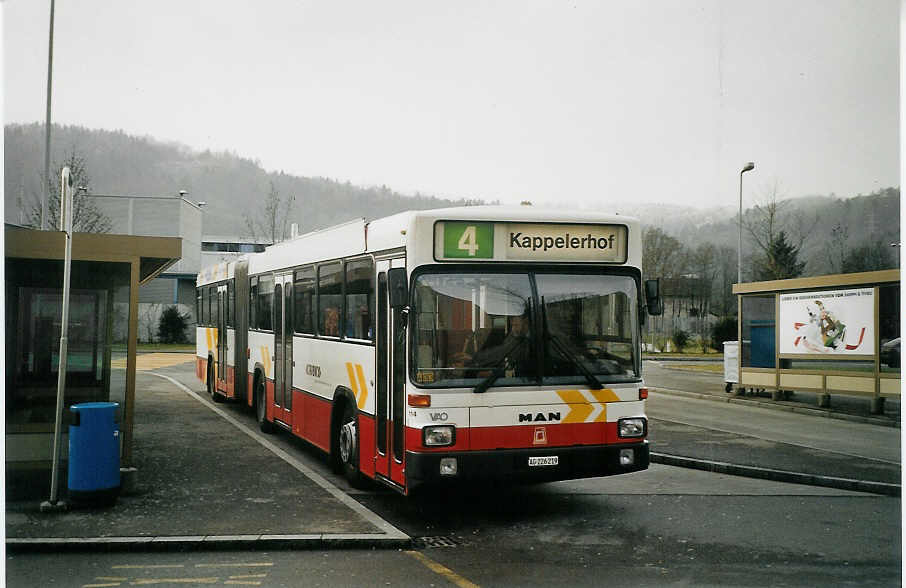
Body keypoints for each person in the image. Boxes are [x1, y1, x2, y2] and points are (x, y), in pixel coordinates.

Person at [455, 313, 532, 376]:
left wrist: (491, 373)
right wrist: (473, 359)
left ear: (525, 323)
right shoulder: (513, 337)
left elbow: (522, 370)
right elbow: (497, 353)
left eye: (516, 325)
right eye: (512, 325)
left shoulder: (529, 343)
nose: (513, 329)